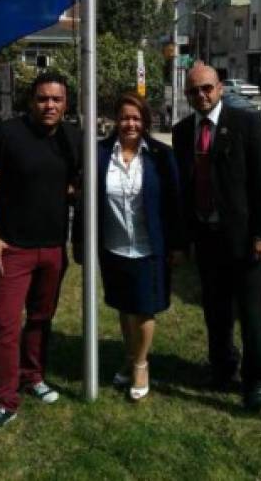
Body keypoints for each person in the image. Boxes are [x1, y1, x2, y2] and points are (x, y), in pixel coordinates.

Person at [0, 71, 80, 432]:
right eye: (42, 98)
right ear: (31, 101)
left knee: (40, 318)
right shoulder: (7, 133)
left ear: (66, 103)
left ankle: (32, 376)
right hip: (11, 248)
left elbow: (77, 181)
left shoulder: (72, 137)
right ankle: (4, 400)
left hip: (52, 248)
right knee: (4, 325)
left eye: (57, 99)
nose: (49, 105)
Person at [172, 63, 261, 411]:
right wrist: (184, 237)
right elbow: (184, 188)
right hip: (206, 236)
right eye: (193, 91)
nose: (200, 95)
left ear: (220, 88)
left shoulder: (247, 124)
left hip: (246, 239)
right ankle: (221, 366)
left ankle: (258, 378)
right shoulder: (182, 131)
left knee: (251, 312)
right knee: (215, 309)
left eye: (206, 88)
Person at [97, 92, 185, 400]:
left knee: (144, 309)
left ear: (145, 121)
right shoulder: (99, 153)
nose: (129, 123)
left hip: (150, 247)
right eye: (124, 117)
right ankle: (129, 356)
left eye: (136, 118)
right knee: (124, 306)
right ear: (115, 121)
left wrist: (177, 244)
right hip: (114, 245)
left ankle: (141, 365)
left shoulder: (160, 155)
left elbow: (175, 203)